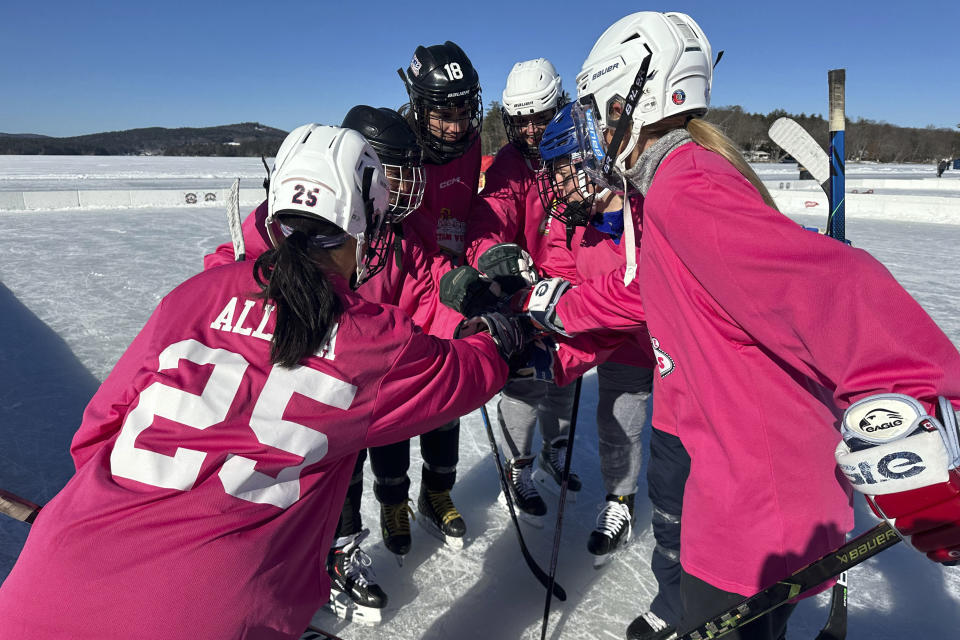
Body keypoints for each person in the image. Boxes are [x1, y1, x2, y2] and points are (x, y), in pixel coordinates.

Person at [509, 11, 960, 640]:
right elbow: (643, 291)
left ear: (629, 100)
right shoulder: (662, 189)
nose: (587, 127)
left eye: (593, 108)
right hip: (726, 468)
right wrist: (561, 312)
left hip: (755, 502)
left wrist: (919, 413)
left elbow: (839, 289)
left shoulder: (686, 186)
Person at [0, 125, 523, 640]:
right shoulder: (368, 335)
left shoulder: (198, 292)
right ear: (365, 221)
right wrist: (500, 332)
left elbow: (97, 432)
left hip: (45, 582)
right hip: (208, 613)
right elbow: (467, 374)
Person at [203, 106, 437, 624]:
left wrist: (467, 319)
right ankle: (312, 559)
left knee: (341, 475)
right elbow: (230, 271)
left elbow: (428, 294)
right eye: (393, 171)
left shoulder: (390, 237)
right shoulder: (290, 223)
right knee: (287, 484)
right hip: (289, 387)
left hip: (360, 384)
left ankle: (335, 551)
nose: (404, 186)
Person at [536, 102, 678, 618]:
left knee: (685, 450)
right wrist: (553, 357)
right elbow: (566, 294)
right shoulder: (571, 224)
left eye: (562, 171)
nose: (555, 184)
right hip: (623, 349)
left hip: (678, 353)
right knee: (618, 421)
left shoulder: (651, 210)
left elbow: (644, 294)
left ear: (594, 162)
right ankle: (620, 501)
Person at [373, 40, 486, 549]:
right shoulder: (398, 150)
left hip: (450, 290)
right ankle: (393, 501)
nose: (456, 125)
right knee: (394, 407)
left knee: (446, 399)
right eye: (443, 113)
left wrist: (481, 260)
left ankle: (436, 494)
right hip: (399, 294)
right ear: (419, 106)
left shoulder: (474, 142)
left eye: (464, 110)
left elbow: (472, 211)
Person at [465, 58, 580, 523]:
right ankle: (520, 468)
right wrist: (496, 258)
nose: (531, 129)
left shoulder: (578, 151)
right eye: (521, 120)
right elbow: (491, 216)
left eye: (540, 116)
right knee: (526, 380)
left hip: (573, 283)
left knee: (566, 375)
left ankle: (555, 451)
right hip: (528, 287)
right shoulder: (510, 163)